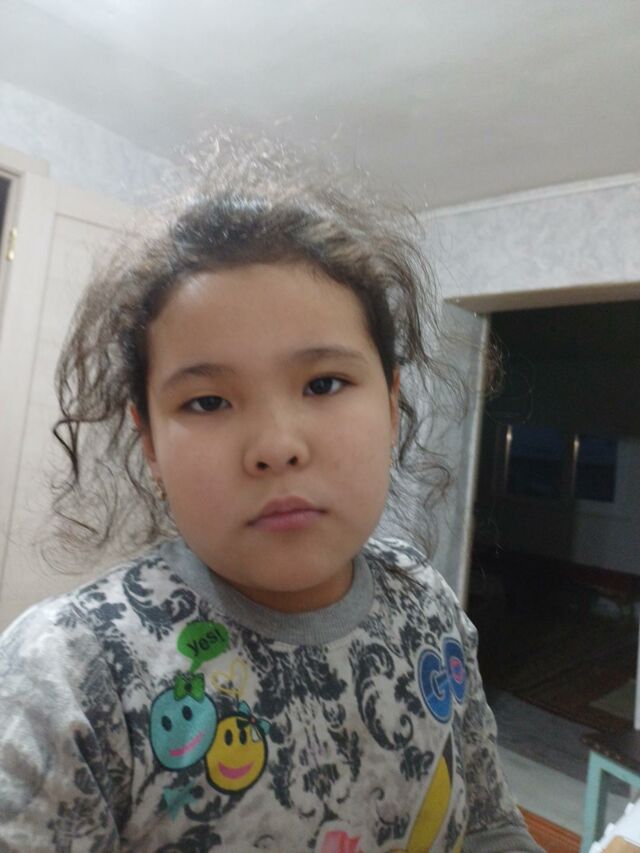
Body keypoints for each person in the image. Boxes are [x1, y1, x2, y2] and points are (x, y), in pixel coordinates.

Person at [0, 135, 541, 852]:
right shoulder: (67, 675)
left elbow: (489, 825)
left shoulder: (429, 606)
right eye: (207, 401)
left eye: (324, 383)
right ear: (149, 439)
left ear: (390, 404)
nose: (276, 445)